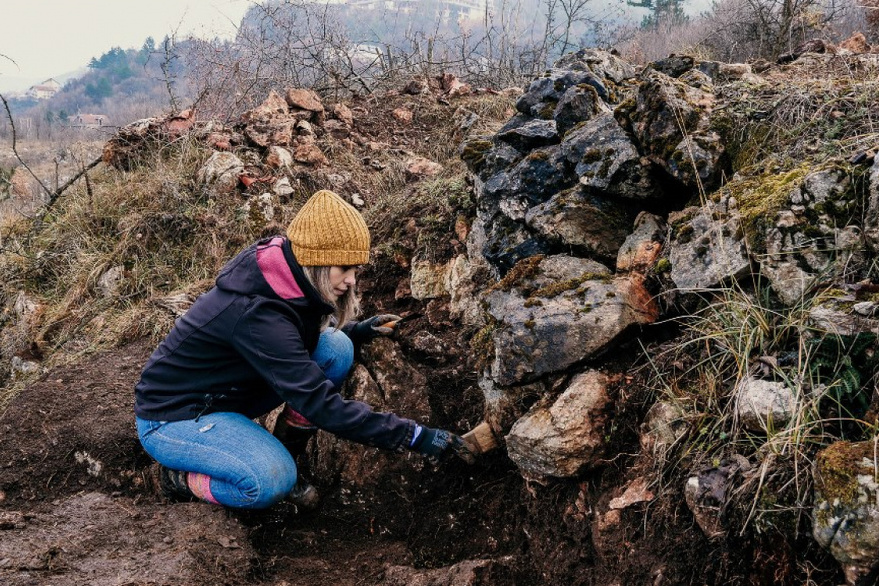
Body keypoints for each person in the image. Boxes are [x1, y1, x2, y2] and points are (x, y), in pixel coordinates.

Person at [134, 189, 474, 509]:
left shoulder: (290, 272)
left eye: (356, 269)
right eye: (345, 269)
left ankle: (287, 452)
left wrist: (356, 330)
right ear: (318, 262)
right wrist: (415, 436)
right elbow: (320, 403)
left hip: (228, 394)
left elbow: (295, 339)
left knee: (337, 346)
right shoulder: (258, 314)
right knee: (267, 482)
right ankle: (177, 479)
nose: (353, 280)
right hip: (175, 417)